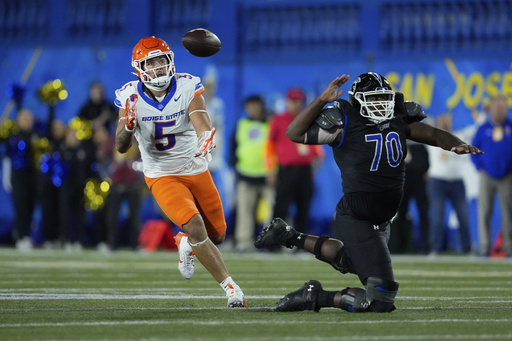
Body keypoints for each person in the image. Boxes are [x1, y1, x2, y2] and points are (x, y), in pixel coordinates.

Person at [255, 72, 483, 313]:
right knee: (379, 299)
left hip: (383, 217)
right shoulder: (344, 122)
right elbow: (295, 133)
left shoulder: (397, 118)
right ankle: (316, 296)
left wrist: (455, 143)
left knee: (354, 260)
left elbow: (435, 135)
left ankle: (288, 236)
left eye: (384, 97)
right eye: (374, 98)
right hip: (356, 214)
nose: (380, 103)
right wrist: (322, 100)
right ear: (360, 100)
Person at [114, 36, 246, 307]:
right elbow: (120, 145)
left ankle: (185, 241)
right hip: (161, 174)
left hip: (196, 168)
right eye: (151, 63)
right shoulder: (130, 95)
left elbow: (200, 116)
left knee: (217, 234)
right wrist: (127, 127)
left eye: (162, 61)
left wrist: (205, 135)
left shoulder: (187, 85)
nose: (159, 68)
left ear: (171, 61)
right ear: (139, 69)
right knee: (197, 225)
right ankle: (231, 288)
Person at [266, 87, 324, 235]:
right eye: (292, 100)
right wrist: (270, 169)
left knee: (304, 208)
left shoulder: (308, 119)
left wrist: (314, 168)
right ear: (287, 101)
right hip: (286, 170)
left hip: (305, 170)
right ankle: (274, 243)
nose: (295, 104)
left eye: (298, 101)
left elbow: (317, 150)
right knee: (280, 207)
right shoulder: (278, 120)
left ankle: (301, 244)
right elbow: (269, 146)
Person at [229, 95, 274, 252]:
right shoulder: (242, 124)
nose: (252, 109)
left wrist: (275, 170)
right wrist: (234, 162)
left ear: (262, 106)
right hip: (245, 174)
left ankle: (272, 242)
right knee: (244, 212)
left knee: (273, 212)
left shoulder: (271, 123)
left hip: (268, 175)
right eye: (249, 106)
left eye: (255, 106)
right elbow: (233, 145)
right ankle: (244, 243)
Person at [471, 95, 512, 257]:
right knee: (484, 211)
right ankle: (484, 246)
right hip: (486, 175)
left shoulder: (510, 127)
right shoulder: (483, 128)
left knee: (508, 212)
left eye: (501, 108)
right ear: (490, 110)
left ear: (507, 110)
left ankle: (509, 247)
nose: (498, 111)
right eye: (495, 108)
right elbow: (472, 149)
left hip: (508, 176)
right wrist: (479, 166)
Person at [428, 113, 472, 255]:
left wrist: (481, 115)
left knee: (463, 216)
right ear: (437, 123)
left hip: (457, 181)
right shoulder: (431, 138)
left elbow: (473, 129)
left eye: (447, 122)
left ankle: (467, 249)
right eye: (442, 122)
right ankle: (435, 249)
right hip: (437, 181)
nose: (445, 125)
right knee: (438, 216)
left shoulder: (460, 137)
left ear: (451, 123)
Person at [1, 109, 41, 251]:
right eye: (23, 118)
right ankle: (20, 236)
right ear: (18, 120)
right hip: (18, 177)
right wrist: (6, 178)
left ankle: (25, 235)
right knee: (20, 207)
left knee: (30, 206)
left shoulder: (36, 135)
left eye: (28, 119)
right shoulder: (13, 136)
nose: (26, 121)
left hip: (33, 176)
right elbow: (7, 158)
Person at [391, 141, 430, 254]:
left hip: (418, 184)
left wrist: (409, 166)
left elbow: (424, 165)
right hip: (403, 183)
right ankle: (399, 246)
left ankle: (426, 246)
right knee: (400, 215)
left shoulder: (420, 146)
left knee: (423, 213)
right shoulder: (397, 145)